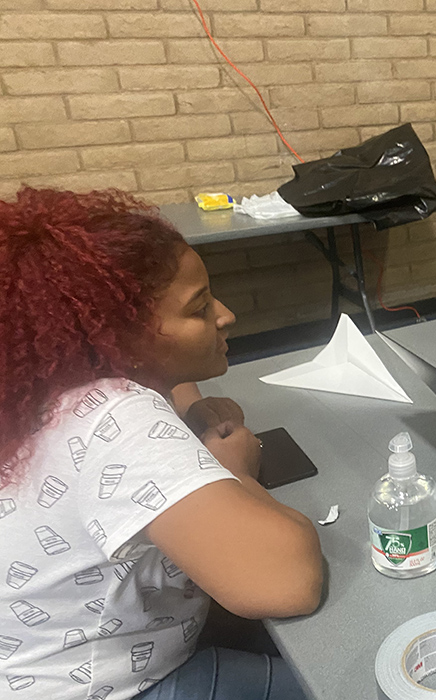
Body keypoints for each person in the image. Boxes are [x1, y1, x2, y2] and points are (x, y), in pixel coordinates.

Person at [0, 187, 323, 699]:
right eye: (198, 309)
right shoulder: (114, 416)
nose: (225, 315)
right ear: (120, 339)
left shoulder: (39, 382)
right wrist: (233, 470)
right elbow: (287, 581)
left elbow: (170, 379)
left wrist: (191, 408)